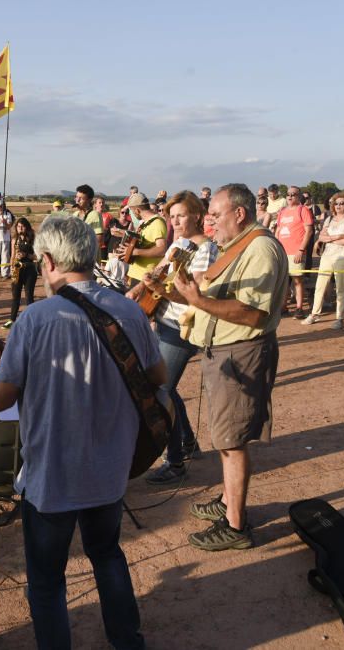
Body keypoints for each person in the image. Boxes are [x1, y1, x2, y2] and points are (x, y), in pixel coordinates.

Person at [0, 214, 165, 650]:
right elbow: (158, 375)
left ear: (47, 261)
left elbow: (1, 398)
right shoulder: (127, 308)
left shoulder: (35, 319)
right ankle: (128, 641)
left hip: (52, 476)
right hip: (110, 468)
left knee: (46, 581)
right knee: (107, 556)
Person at [152, 183, 288, 550]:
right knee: (227, 438)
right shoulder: (237, 246)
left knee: (233, 440)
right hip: (225, 352)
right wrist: (172, 292)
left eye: (215, 214)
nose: (210, 221)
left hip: (241, 352)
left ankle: (236, 526)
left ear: (238, 213)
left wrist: (196, 299)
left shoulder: (260, 248)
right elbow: (210, 292)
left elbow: (252, 313)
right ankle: (228, 504)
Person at [131, 191, 218, 485]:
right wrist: (141, 287)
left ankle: (176, 460)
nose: (175, 221)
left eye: (181, 215)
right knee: (167, 386)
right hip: (164, 319)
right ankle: (188, 443)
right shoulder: (180, 244)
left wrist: (163, 289)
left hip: (183, 327)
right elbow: (162, 269)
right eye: (172, 216)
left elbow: (195, 293)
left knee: (162, 388)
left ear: (197, 215)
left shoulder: (206, 249)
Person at [303, 192, 344, 328]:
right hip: (327, 255)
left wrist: (331, 238)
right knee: (320, 285)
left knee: (341, 287)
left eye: (342, 203)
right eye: (336, 203)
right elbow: (322, 237)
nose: (338, 206)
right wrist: (337, 236)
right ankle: (314, 314)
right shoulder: (328, 219)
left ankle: (340, 318)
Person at [274, 186, 314, 319]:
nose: (290, 197)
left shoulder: (303, 210)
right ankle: (283, 307)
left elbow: (309, 231)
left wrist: (301, 250)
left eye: (294, 194)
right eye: (288, 194)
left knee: (297, 280)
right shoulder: (282, 212)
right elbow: (278, 230)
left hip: (296, 251)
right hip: (282, 251)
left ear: (299, 196)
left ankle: (299, 308)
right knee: (284, 281)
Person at [124, 193, 168, 288]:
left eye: (132, 211)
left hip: (145, 277)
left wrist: (135, 252)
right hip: (136, 275)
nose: (132, 214)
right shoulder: (145, 223)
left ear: (137, 210)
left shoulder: (157, 223)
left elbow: (162, 249)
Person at [3, 218, 37, 329]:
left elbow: (38, 257)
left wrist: (26, 255)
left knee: (29, 297)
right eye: (18, 226)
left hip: (30, 270)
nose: (20, 228)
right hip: (17, 271)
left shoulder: (33, 238)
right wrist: (12, 268)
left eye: (22, 226)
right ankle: (12, 319)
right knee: (15, 297)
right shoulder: (14, 239)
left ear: (27, 227)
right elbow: (12, 256)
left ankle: (31, 320)